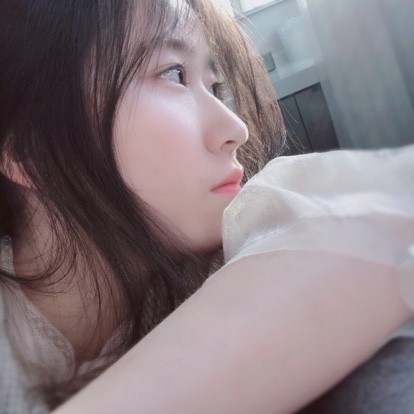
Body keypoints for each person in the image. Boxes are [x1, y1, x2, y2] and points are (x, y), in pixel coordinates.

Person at [0, 0, 413, 413]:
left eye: (215, 87)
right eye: (173, 74)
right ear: (34, 153)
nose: (236, 129)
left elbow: (384, 217)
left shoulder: (244, 251)